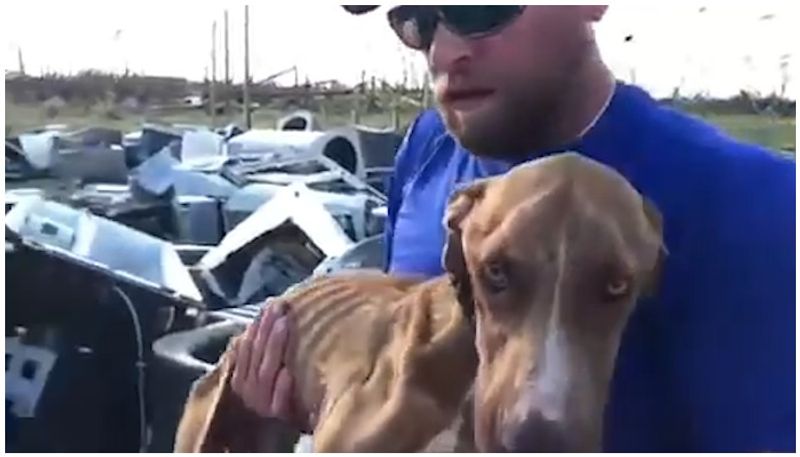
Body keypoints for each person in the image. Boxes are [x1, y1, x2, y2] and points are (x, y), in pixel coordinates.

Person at [228, 5, 795, 452]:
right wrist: (303, 398)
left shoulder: (752, 205)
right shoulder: (430, 152)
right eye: (417, 22)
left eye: (479, 9)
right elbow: (394, 375)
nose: (446, 53)